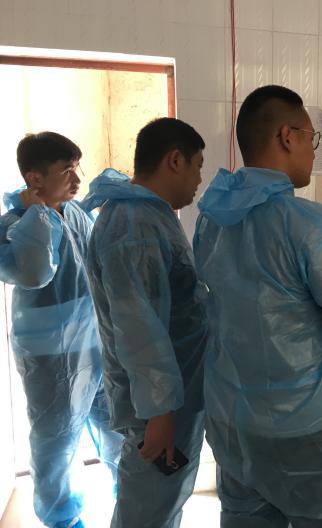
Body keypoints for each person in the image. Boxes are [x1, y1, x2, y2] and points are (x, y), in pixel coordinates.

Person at [193, 85, 322, 527]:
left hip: (235, 423)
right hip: (306, 431)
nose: (313, 151)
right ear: (287, 136)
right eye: (312, 138)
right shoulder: (308, 225)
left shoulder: (213, 221)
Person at [82, 118, 208, 528]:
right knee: (147, 509)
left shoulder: (147, 216)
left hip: (167, 396)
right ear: (175, 160)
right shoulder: (133, 225)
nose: (199, 180)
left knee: (157, 503)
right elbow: (140, 326)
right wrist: (160, 411)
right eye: (197, 166)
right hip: (155, 405)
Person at [0, 132, 122, 528]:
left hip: (95, 343)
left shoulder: (74, 213)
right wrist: (36, 213)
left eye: (76, 168)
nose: (77, 178)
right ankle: (62, 520)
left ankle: (132, 500)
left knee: (115, 426)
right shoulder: (14, 224)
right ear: (34, 178)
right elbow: (35, 272)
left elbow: (97, 267)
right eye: (67, 170)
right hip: (49, 353)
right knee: (55, 441)